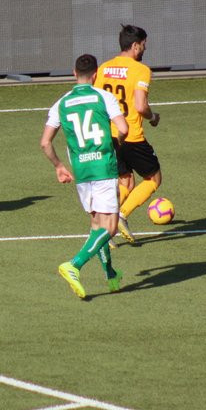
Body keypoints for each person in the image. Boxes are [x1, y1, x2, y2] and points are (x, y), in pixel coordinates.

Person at [40, 54, 130, 299]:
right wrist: (118, 143)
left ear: (73, 73)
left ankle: (111, 275)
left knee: (96, 226)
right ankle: (74, 265)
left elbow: (45, 142)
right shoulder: (104, 97)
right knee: (110, 228)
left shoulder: (61, 103)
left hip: (81, 171)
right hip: (103, 167)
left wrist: (59, 166)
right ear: (96, 74)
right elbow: (123, 128)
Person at [93, 24, 161, 246]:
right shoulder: (141, 70)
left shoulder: (103, 69)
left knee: (126, 181)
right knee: (153, 178)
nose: (144, 49)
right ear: (134, 45)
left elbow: (97, 101)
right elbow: (141, 106)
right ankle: (121, 215)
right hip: (131, 135)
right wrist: (153, 117)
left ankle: (105, 227)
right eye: (143, 45)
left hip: (109, 135)